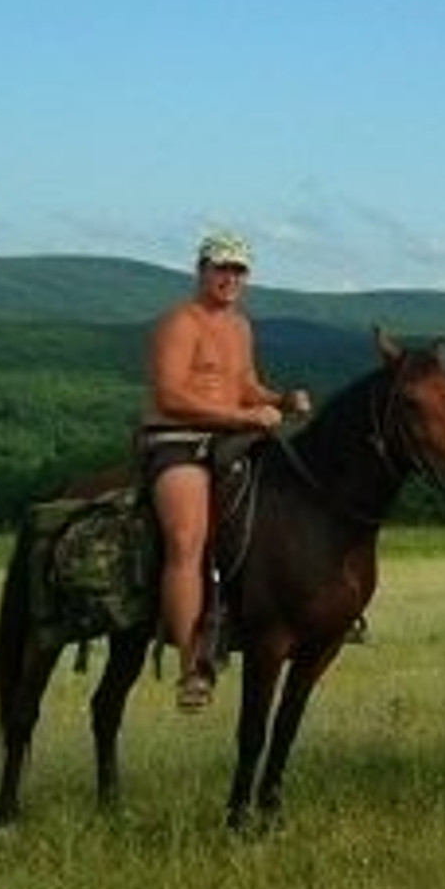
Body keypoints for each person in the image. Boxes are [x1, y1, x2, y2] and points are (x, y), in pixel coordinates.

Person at [140, 230, 311, 710]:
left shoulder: (240, 327)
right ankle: (192, 665)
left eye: (239, 270)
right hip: (177, 440)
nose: (230, 278)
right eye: (222, 268)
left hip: (235, 436)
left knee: (292, 503)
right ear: (201, 271)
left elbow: (245, 385)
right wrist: (244, 416)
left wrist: (278, 400)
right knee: (187, 537)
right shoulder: (179, 323)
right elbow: (171, 397)